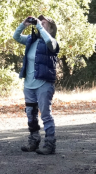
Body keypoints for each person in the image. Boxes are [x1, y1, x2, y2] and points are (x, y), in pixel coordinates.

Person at [12, 15, 60, 155]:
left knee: (45, 114)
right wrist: (24, 24)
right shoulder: (31, 40)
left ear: (51, 29)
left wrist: (38, 25)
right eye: (40, 23)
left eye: (44, 24)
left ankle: (50, 143)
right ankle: (34, 139)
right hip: (29, 84)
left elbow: (50, 43)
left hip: (44, 83)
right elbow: (16, 36)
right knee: (30, 114)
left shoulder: (52, 42)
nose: (40, 25)